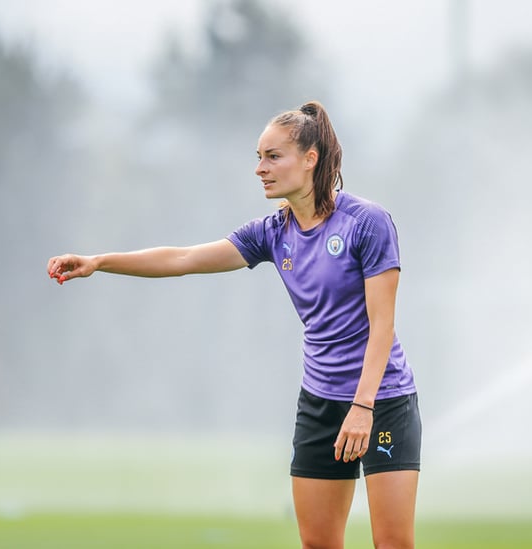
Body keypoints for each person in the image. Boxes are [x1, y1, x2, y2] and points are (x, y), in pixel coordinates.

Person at [46, 101, 421, 549]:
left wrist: (363, 408)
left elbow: (382, 326)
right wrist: (99, 261)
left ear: (310, 159)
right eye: (258, 157)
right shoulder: (270, 232)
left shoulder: (367, 223)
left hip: (382, 403)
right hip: (320, 405)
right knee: (318, 544)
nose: (260, 168)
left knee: (393, 544)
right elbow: (183, 258)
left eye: (272, 157)